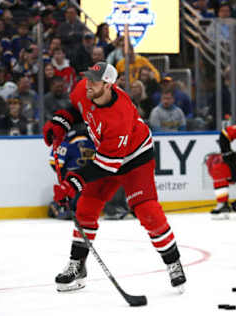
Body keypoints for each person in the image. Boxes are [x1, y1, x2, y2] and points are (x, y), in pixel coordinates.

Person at [42, 62, 186, 292]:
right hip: (106, 154)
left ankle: (173, 263)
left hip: (135, 157)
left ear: (109, 85)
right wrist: (60, 122)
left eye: (95, 81)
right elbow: (76, 107)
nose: (88, 84)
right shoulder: (84, 89)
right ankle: (77, 264)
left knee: (148, 211)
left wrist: (73, 181)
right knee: (86, 208)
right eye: (88, 78)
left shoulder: (119, 116)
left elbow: (106, 167)